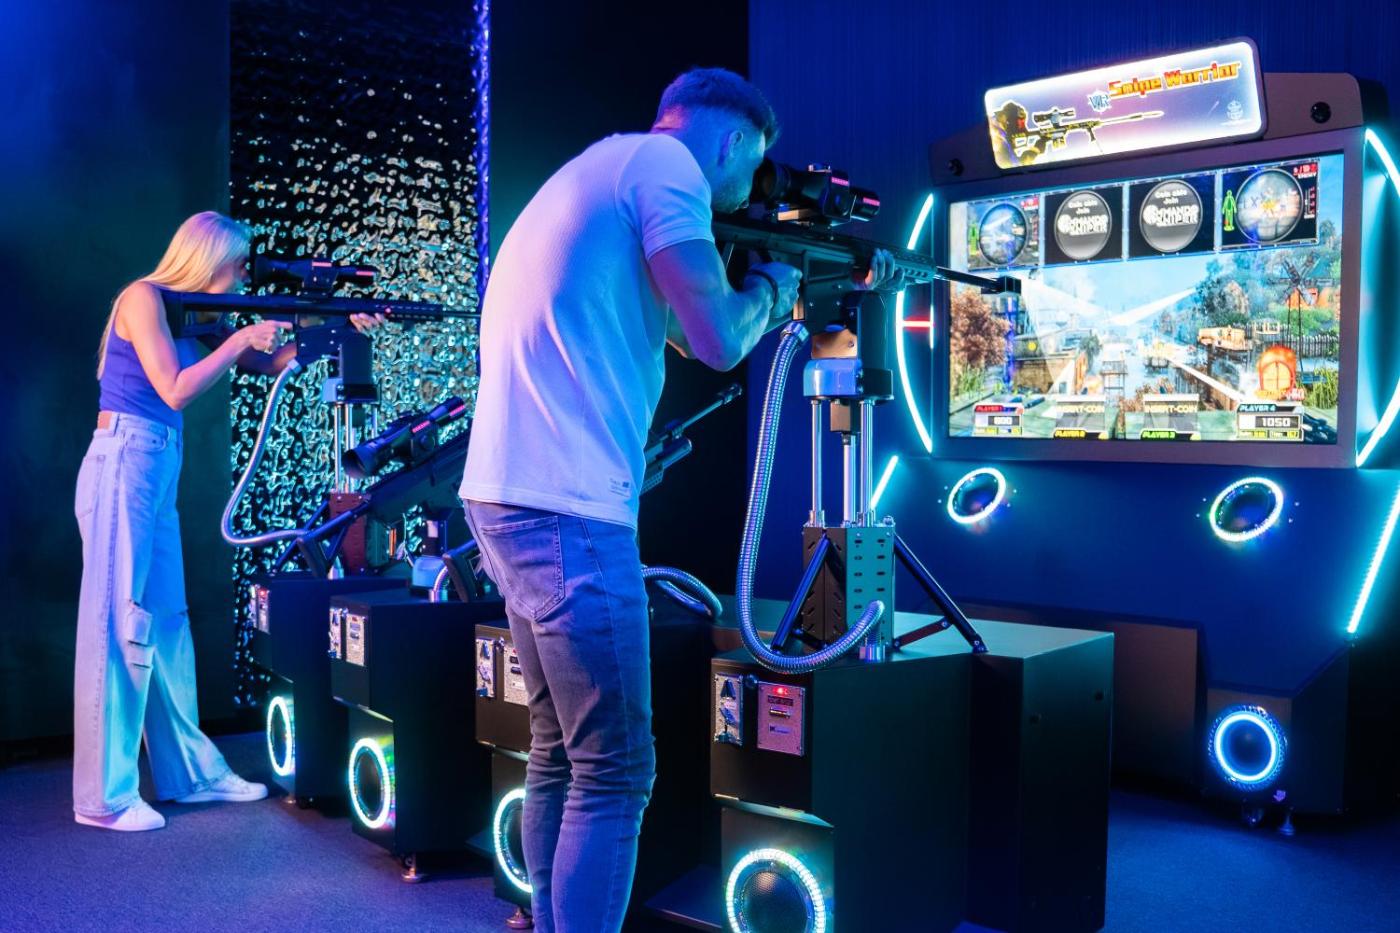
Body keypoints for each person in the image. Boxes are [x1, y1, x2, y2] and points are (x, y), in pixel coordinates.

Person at [460, 68, 901, 931]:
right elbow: (721, 339)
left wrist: (793, 283)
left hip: (507, 499)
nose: (750, 187)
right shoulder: (667, 173)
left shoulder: (603, 169)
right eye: (754, 165)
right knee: (617, 770)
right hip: (569, 509)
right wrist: (774, 284)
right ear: (732, 141)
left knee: (559, 751)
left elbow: (690, 334)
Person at [73, 211, 381, 831]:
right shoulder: (144, 298)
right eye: (237, 264)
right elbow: (175, 388)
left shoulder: (201, 314)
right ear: (208, 258)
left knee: (167, 624)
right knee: (118, 622)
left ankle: (189, 774)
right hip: (125, 455)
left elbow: (273, 364)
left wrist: (337, 328)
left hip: (157, 462)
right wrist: (241, 340)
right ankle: (103, 799)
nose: (243, 276)